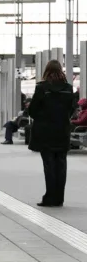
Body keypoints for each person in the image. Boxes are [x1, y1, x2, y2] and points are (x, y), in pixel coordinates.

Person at [28, 60, 76, 207]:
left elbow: (32, 110)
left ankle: (49, 197)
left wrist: (43, 118)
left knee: (49, 165)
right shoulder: (68, 88)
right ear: (60, 70)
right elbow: (71, 109)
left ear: (47, 71)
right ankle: (59, 198)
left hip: (45, 132)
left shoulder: (42, 88)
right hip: (62, 131)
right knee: (61, 165)